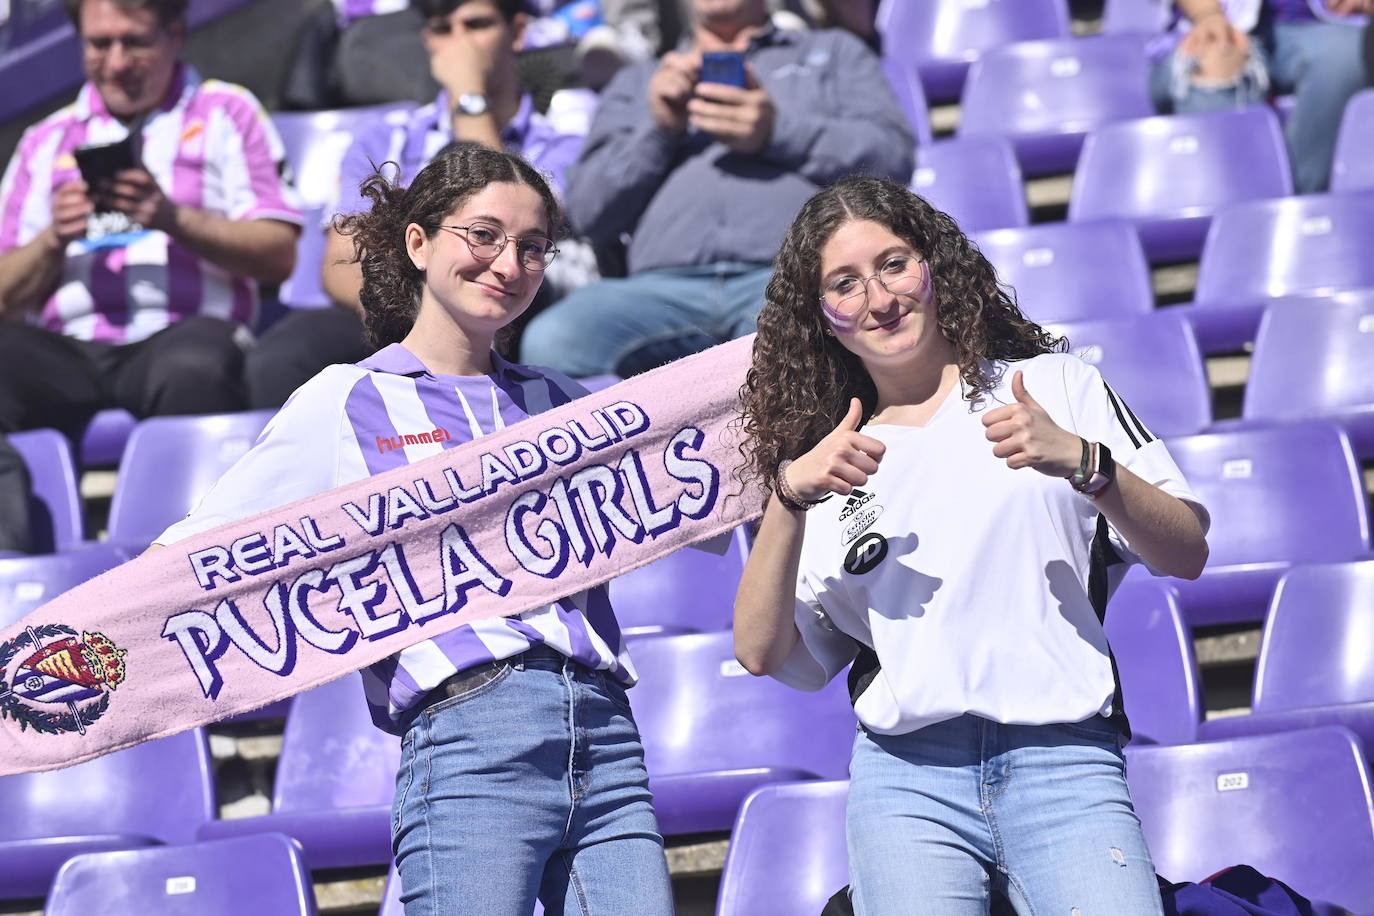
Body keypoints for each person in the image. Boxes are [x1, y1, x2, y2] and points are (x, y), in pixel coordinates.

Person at [154, 143, 674, 916]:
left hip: (608, 735)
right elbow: (193, 556)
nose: (510, 263)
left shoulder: (565, 398)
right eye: (485, 235)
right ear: (419, 243)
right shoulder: (343, 401)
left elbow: (693, 500)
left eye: (533, 247)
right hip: (470, 732)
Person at [732, 176, 1211, 915]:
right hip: (906, 782)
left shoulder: (1053, 385)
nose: (879, 299)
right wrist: (788, 497)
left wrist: (1087, 463)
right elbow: (761, 654)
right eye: (845, 284)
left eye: (894, 265)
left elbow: (1188, 551)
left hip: (1067, 764)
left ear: (935, 266)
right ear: (822, 319)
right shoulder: (823, 462)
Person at [518, 0, 913, 379]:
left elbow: (893, 160)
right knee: (555, 340)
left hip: (789, 279)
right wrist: (658, 132)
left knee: (803, 328)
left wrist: (777, 132)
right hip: (657, 295)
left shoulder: (834, 52)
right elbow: (589, 212)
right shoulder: (638, 82)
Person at [0, 0, 301, 446]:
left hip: (184, 336)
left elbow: (279, 255)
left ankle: (204, 516)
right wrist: (53, 239)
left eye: (135, 42)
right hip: (68, 350)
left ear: (175, 34)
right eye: (100, 44)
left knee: (192, 368)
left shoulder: (226, 111)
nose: (118, 63)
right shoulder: (43, 140)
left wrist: (171, 218)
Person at [1148, 0, 1369, 193]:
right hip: (1211, 23)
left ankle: (1298, 210)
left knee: (1347, 55)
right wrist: (1209, 16)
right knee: (1216, 52)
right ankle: (1233, 215)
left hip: (1315, 25)